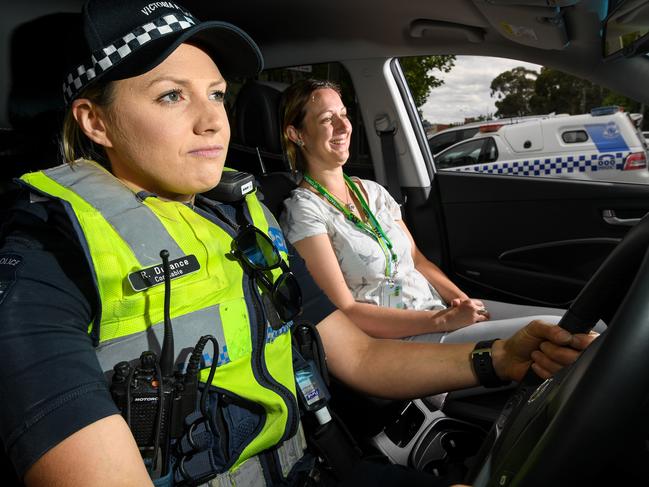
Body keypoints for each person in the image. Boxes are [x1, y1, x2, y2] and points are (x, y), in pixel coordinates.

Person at [0, 2, 595, 486]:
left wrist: (499, 360)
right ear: (95, 122)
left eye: (215, 93)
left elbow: (358, 357)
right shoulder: (43, 259)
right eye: (171, 95)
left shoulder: (242, 216)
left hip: (320, 467)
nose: (213, 121)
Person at [279, 78, 564, 344]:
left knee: (573, 324)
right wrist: (444, 320)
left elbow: (417, 260)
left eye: (344, 114)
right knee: (560, 339)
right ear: (296, 134)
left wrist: (462, 302)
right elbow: (346, 312)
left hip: (437, 311)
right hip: (404, 338)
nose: (344, 127)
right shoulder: (304, 211)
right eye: (328, 119)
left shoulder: (372, 192)